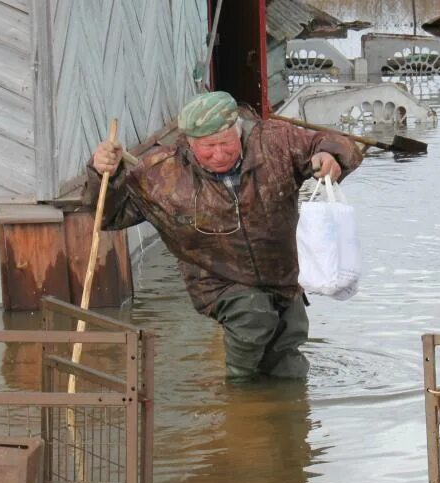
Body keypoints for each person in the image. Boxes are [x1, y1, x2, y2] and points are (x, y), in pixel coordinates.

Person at [86, 92, 363, 379]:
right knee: (253, 316)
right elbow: (108, 215)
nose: (218, 154)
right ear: (190, 144)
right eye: (208, 147)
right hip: (216, 278)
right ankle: (238, 397)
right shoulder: (162, 173)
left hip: (282, 273)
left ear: (238, 131)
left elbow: (338, 143)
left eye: (225, 144)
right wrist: (103, 173)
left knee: (289, 352)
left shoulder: (275, 142)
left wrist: (329, 155)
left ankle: (287, 413)